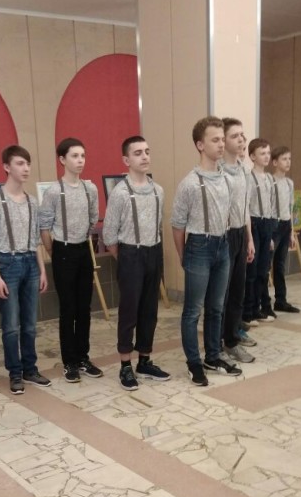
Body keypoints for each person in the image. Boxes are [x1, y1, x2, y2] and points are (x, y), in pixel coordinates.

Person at [172, 117, 242, 386]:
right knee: (193, 311)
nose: (221, 144)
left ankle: (213, 356)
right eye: (215, 140)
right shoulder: (189, 183)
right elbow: (177, 225)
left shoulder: (226, 179)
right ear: (200, 145)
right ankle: (194, 363)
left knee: (216, 307)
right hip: (198, 246)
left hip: (222, 244)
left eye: (223, 139)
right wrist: (184, 255)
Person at [103, 135, 171, 391]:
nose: (144, 157)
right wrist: (126, 258)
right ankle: (125, 365)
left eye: (147, 151)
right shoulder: (120, 193)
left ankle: (145, 360)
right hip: (130, 254)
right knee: (129, 311)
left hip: (154, 252)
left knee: (149, 310)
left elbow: (158, 225)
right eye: (138, 153)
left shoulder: (158, 190)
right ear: (126, 160)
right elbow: (110, 235)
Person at [0, 145, 51, 393]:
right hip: (7, 263)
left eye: (28, 163)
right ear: (6, 167)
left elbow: (35, 240)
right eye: (20, 163)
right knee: (11, 325)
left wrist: (42, 270)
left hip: (30, 262)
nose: (26, 168)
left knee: (30, 323)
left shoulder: (32, 201)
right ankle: (15, 372)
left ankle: (30, 369)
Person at [39, 138, 102, 383]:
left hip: (83, 249)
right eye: (75, 156)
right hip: (62, 250)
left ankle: (83, 356)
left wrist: (82, 240)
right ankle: (70, 362)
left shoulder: (90, 189)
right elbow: (44, 225)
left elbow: (93, 217)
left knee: (85, 307)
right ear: (62, 160)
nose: (80, 161)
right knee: (68, 308)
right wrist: (53, 251)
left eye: (83, 156)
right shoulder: (54, 191)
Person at [219, 117, 256, 364]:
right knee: (220, 294)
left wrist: (249, 239)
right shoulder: (218, 171)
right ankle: (216, 344)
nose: (241, 139)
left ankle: (232, 340)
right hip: (223, 235)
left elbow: (245, 209)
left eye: (242, 135)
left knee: (237, 291)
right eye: (235, 136)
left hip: (241, 233)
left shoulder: (244, 169)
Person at [242, 138, 277, 325]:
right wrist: (249, 237)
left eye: (268, 153)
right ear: (252, 156)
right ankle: (248, 311)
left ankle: (259, 308)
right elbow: (246, 207)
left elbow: (271, 205)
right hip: (254, 223)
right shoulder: (249, 178)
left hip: (267, 224)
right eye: (262, 153)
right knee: (252, 270)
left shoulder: (270, 178)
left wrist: (270, 235)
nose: (266, 156)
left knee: (263, 270)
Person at [269, 147, 300, 313]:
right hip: (274, 225)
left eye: (289, 159)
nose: (288, 162)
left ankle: (281, 300)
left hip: (286, 224)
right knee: (266, 266)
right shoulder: (270, 182)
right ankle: (262, 302)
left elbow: (290, 208)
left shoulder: (289, 183)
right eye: (284, 159)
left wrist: (291, 232)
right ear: (275, 162)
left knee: (280, 265)